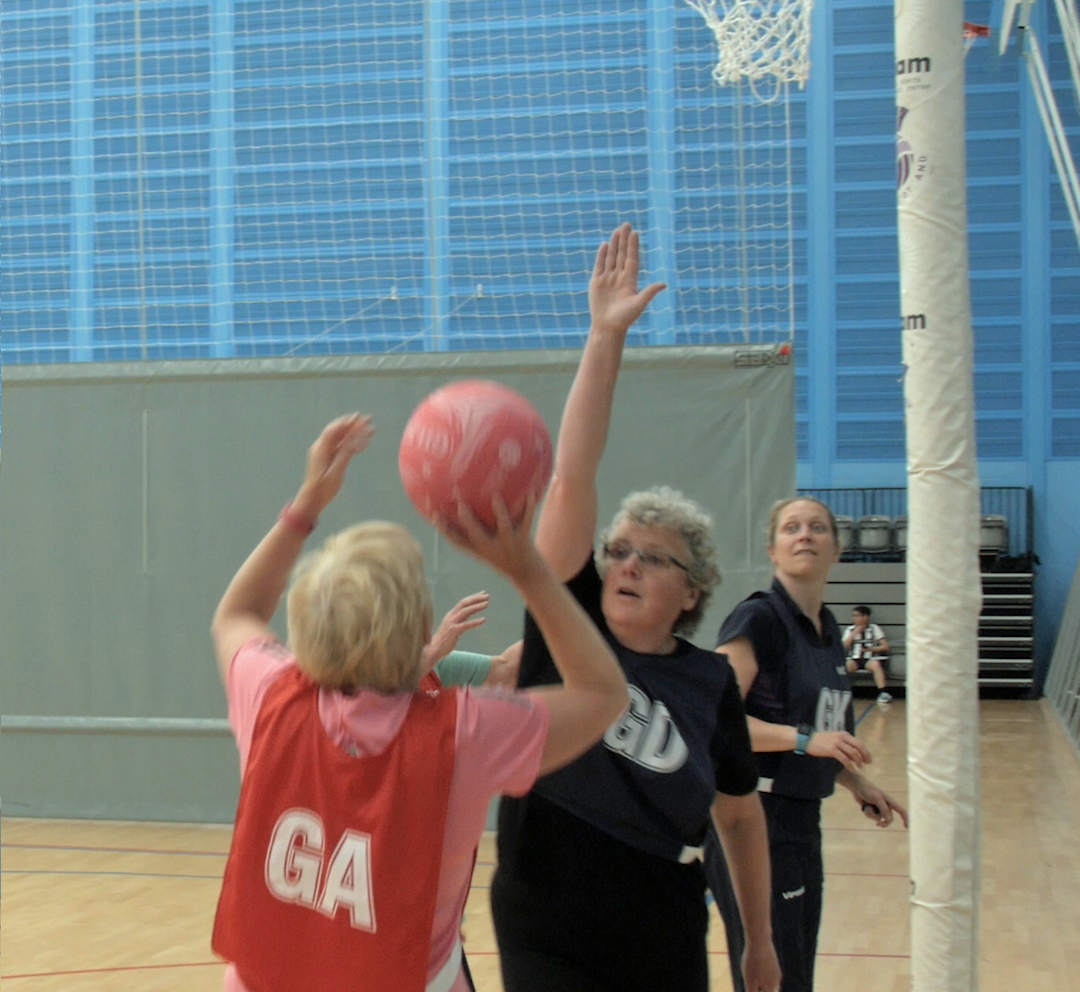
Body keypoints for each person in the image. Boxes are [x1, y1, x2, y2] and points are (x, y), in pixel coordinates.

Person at [209, 413, 628, 992]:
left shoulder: (268, 691)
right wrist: (526, 569)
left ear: (303, 625)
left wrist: (306, 504)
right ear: (422, 627)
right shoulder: (466, 731)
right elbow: (604, 694)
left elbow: (237, 613)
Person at [490, 223, 781, 992]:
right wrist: (604, 338)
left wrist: (758, 943)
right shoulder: (566, 618)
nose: (624, 564)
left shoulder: (709, 683)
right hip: (544, 916)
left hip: (663, 920)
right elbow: (572, 474)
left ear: (691, 592)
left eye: (651, 558)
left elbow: (741, 819)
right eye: (619, 548)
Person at [705, 496, 909, 992]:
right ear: (772, 550)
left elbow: (817, 735)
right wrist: (804, 740)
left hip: (800, 820)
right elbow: (712, 716)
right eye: (791, 527)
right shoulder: (758, 619)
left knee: (794, 977)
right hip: (754, 818)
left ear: (836, 550)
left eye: (817, 527)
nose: (805, 535)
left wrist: (853, 778)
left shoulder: (827, 628)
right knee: (771, 979)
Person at [842, 605, 892, 703]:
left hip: (869, 658)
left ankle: (883, 693)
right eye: (853, 616)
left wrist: (872, 649)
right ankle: (842, 692)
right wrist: (855, 633)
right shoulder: (850, 629)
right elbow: (844, 645)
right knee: (845, 666)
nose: (854, 618)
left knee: (876, 665)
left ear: (865, 617)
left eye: (857, 616)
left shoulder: (874, 628)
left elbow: (886, 646)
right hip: (855, 658)